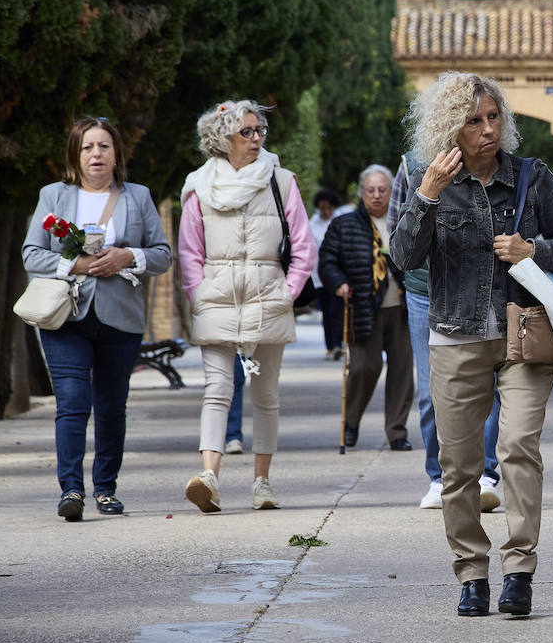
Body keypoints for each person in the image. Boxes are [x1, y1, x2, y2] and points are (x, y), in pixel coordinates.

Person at [392, 71, 553, 618]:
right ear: (448, 128)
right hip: (455, 337)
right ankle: (472, 572)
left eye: (493, 117)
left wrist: (534, 249)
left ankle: (519, 570)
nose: (486, 130)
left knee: (518, 448)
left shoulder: (531, 176)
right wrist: (427, 195)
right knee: (457, 466)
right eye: (473, 120)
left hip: (524, 335)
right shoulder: (420, 175)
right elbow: (405, 257)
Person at [22, 117, 172, 521]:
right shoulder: (53, 196)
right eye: (88, 147)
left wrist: (129, 256)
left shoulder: (137, 197)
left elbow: (162, 254)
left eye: (104, 146)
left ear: (116, 153)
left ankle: (105, 488)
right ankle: (71, 489)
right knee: (72, 403)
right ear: (75, 154)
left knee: (111, 406)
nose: (96, 154)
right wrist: (80, 264)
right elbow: (32, 255)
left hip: (119, 319)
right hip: (65, 317)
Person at [178, 100, 314, 513]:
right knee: (217, 390)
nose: (256, 138)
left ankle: (262, 482)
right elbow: (189, 251)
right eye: (247, 132)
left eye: (259, 131)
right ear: (224, 139)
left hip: (268, 297)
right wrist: (198, 294)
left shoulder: (282, 181)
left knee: (266, 395)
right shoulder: (198, 185)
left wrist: (286, 293)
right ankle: (209, 477)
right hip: (216, 299)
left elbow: (304, 247)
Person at [391, 149, 503, 511]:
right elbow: (398, 234)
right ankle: (438, 477)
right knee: (429, 393)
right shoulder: (412, 165)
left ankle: (485, 474)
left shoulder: (491, 155)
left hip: (469, 287)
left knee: (486, 387)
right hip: (423, 293)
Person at [318, 165, 415, 451]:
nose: (376, 196)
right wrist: (338, 283)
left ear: (391, 192)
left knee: (401, 371)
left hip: (401, 306)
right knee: (364, 366)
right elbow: (327, 260)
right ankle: (351, 423)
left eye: (382, 190)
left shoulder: (403, 221)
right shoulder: (344, 224)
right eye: (370, 190)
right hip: (361, 305)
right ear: (362, 193)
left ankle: (397, 432)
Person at [309, 189, 350, 359]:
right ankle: (331, 346)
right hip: (318, 277)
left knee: (337, 311)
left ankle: (338, 343)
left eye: (328, 208)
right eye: (322, 208)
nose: (325, 211)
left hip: (337, 276)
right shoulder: (312, 224)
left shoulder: (340, 221)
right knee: (326, 313)